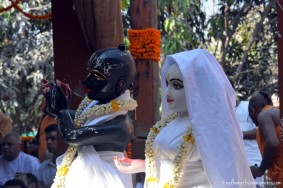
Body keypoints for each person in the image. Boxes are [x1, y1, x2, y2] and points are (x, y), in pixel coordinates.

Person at [114, 49, 255, 187]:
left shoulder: (210, 127)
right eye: (168, 84)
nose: (168, 92)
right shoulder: (169, 123)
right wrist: (140, 165)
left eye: (177, 85)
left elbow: (224, 173)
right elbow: (168, 163)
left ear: (198, 89)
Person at [42, 44, 137, 188]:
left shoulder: (121, 125)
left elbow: (73, 135)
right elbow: (77, 119)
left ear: (120, 84)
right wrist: (56, 108)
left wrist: (61, 110)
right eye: (89, 73)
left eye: (97, 76)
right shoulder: (96, 107)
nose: (87, 81)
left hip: (107, 180)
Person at [248, 90, 283, 188]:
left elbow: (272, 142)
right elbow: (260, 132)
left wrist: (260, 170)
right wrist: (240, 135)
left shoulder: (263, 115)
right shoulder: (276, 113)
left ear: (252, 110)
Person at [235, 100, 264, 187]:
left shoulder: (248, 106)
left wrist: (238, 135)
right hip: (235, 167)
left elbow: (262, 131)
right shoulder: (222, 112)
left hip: (252, 163)